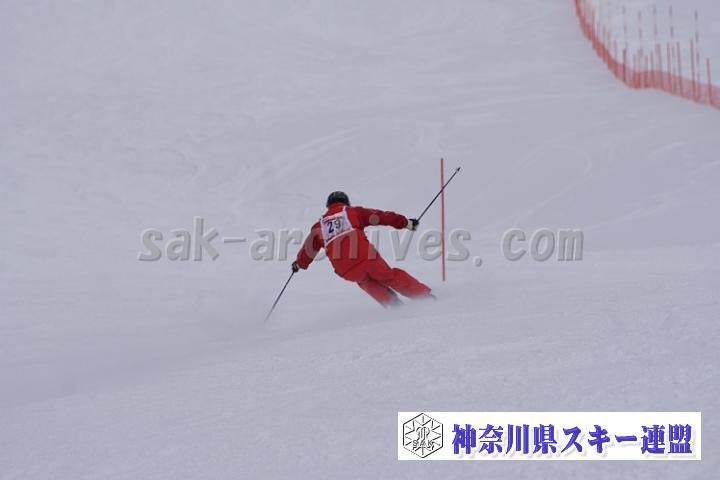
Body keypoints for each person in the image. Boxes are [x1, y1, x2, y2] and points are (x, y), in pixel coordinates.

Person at [292, 191, 433, 307]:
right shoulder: (351, 212)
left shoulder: (319, 225)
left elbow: (307, 250)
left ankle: (393, 305)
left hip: (344, 269)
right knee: (388, 276)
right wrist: (406, 223)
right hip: (366, 258)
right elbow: (381, 216)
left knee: (364, 281)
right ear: (346, 202)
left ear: (328, 206)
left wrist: (298, 264)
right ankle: (423, 296)